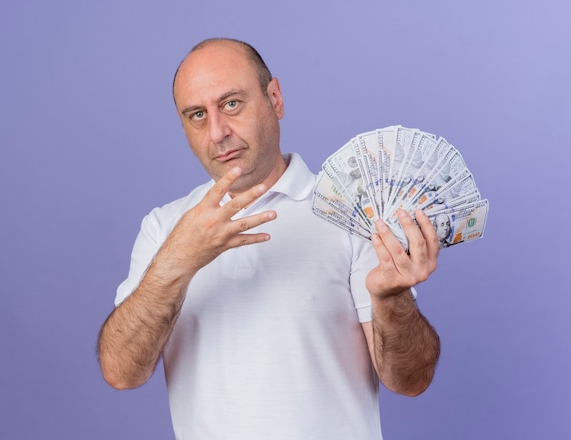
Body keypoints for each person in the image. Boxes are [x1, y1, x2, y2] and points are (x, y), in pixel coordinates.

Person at [97, 38, 441, 439]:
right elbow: (121, 373)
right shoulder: (163, 227)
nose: (218, 132)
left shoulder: (352, 214)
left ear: (274, 99)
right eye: (196, 115)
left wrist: (391, 298)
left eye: (231, 104)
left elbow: (411, 380)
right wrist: (178, 259)